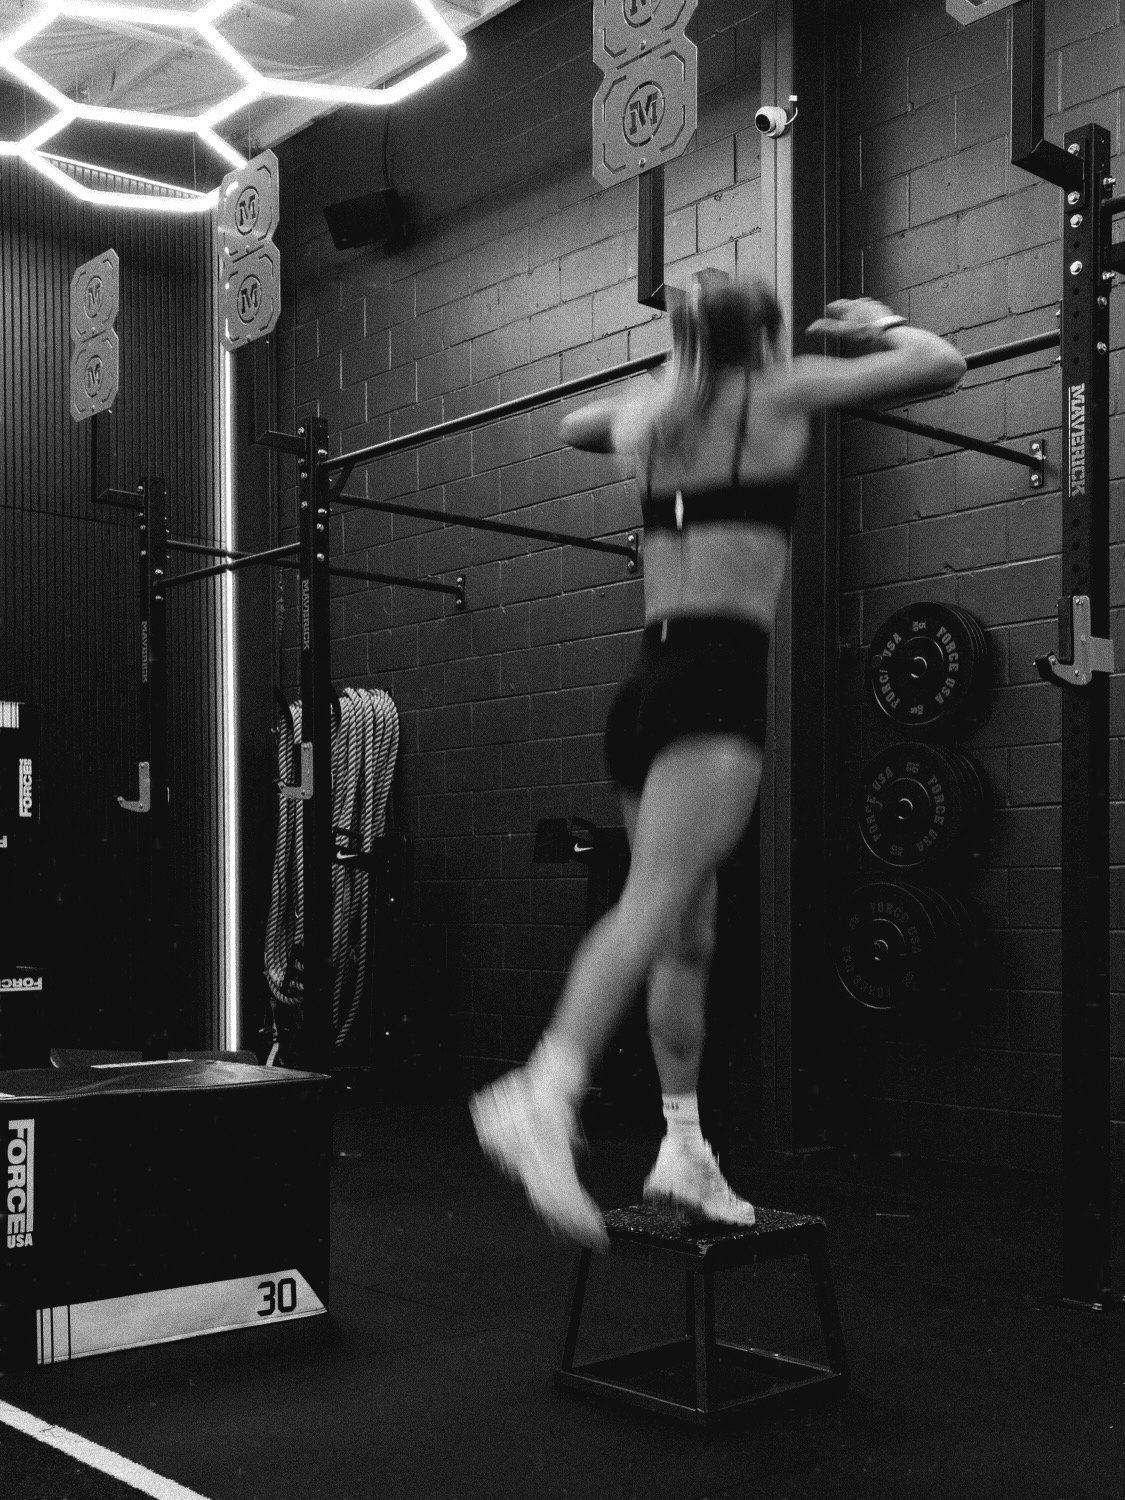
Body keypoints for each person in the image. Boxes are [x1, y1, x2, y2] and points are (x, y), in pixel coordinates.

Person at [470, 282, 967, 1250]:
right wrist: (876, 326)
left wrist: (673, 375)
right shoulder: (779, 392)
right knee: (653, 903)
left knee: (685, 936)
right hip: (716, 680)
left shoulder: (654, 415)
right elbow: (939, 364)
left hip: (646, 686)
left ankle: (684, 1146)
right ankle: (542, 1090)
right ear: (767, 337)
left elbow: (576, 424)